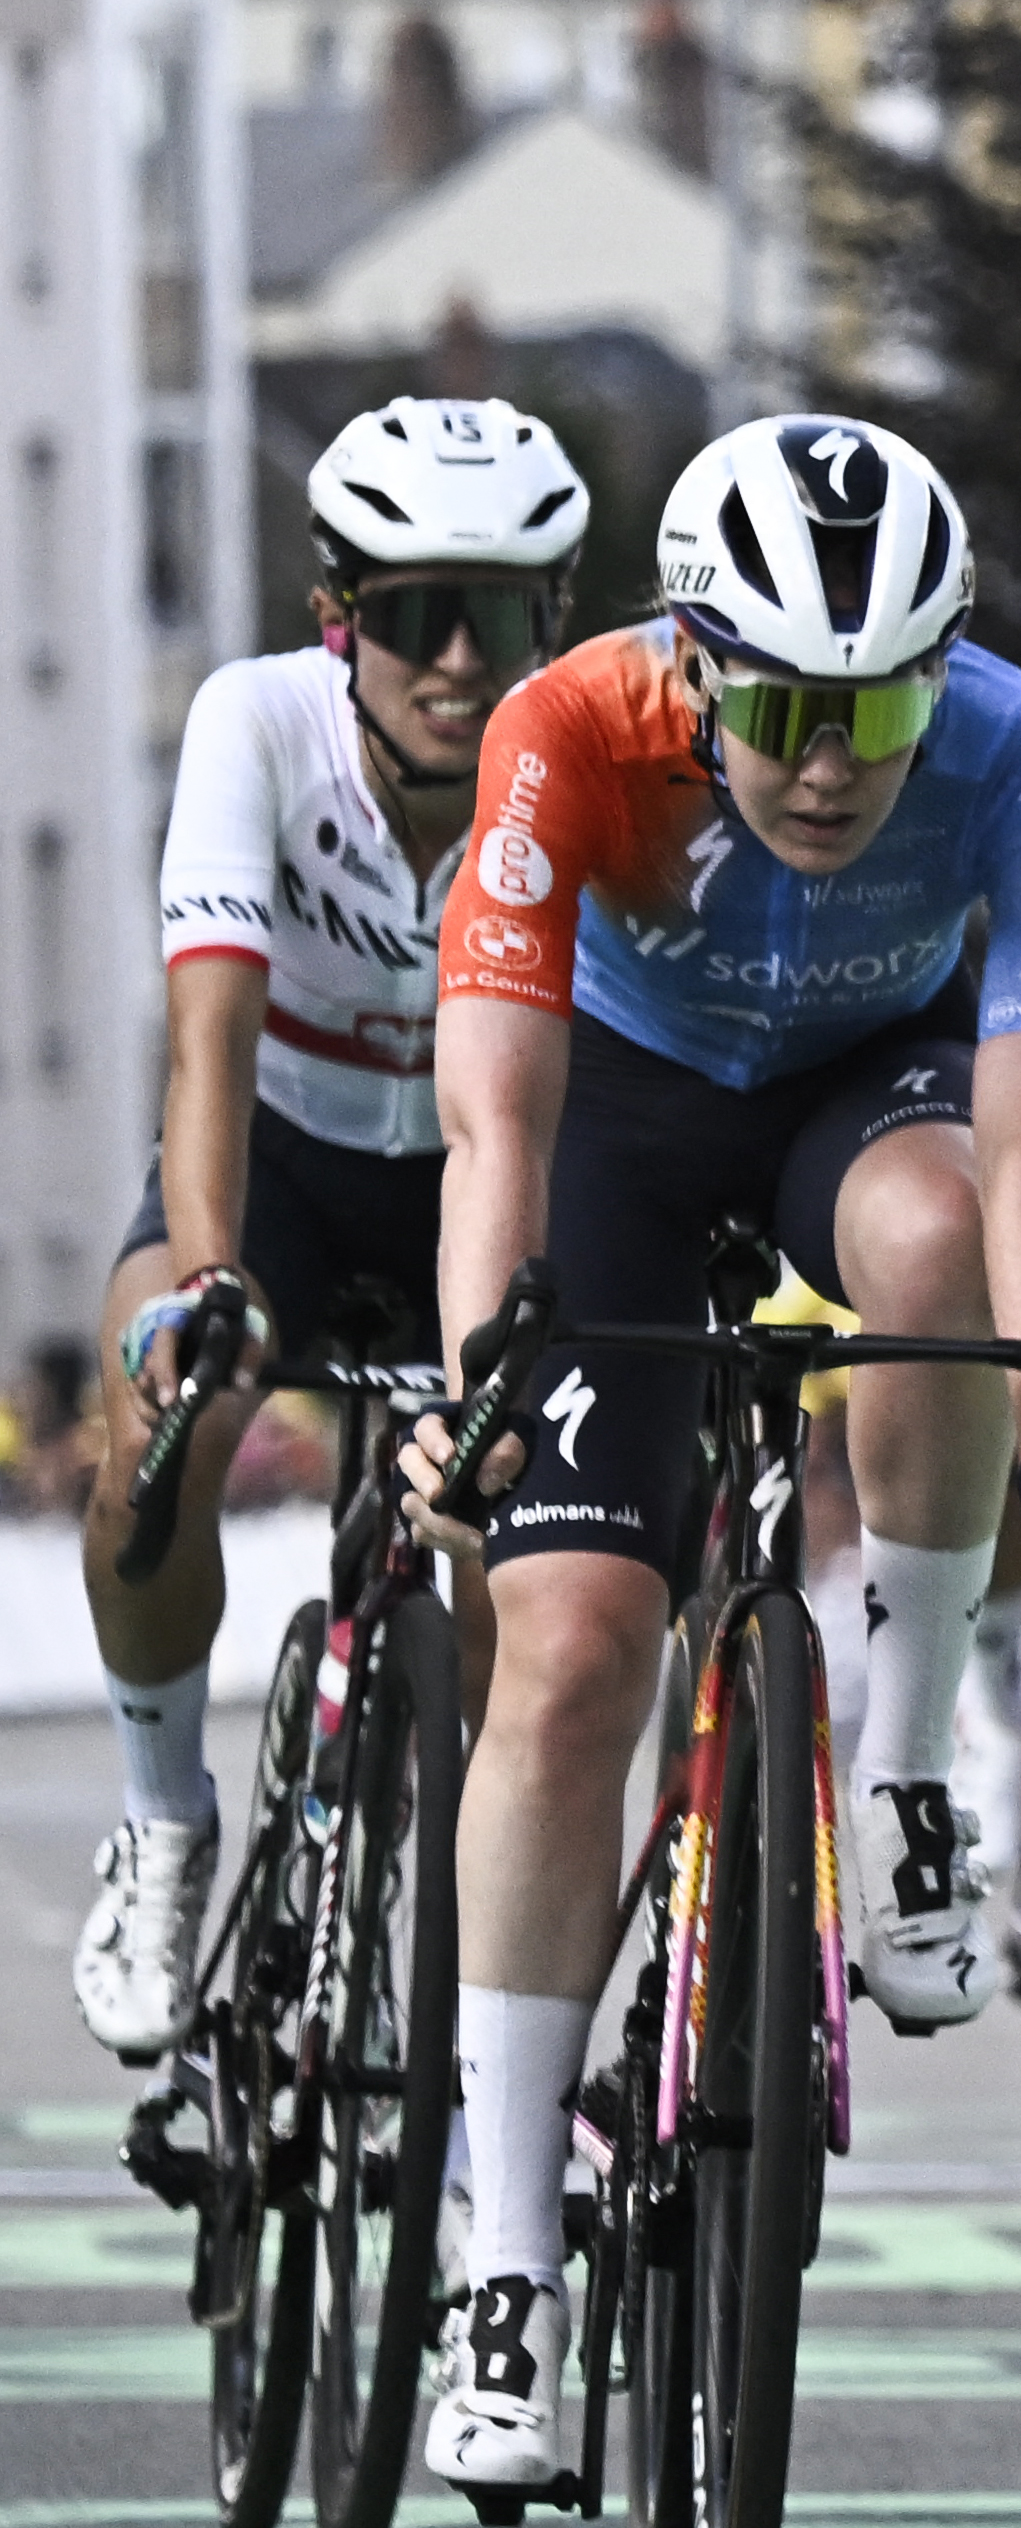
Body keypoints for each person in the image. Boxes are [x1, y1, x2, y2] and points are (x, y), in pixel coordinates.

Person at [412, 417, 1021, 2496]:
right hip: (617, 1111)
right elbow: (498, 1138)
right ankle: (512, 2269)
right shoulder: (569, 723)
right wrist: (475, 1389)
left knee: (933, 1250)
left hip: (860, 1087)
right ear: (696, 664)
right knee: (567, 1658)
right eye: (787, 708)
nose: (831, 763)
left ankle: (906, 1771)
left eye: (883, 705)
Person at [71, 400, 586, 2058]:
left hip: (482, 1176)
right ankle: (163, 1818)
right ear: (334, 618)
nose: (454, 658)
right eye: (409, 612)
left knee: (536, 1541)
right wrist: (212, 1280)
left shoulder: (596, 757)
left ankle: (498, 1960)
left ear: (553, 620)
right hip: (278, 1160)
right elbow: (206, 1040)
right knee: (162, 1417)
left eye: (497, 614)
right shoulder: (253, 724)